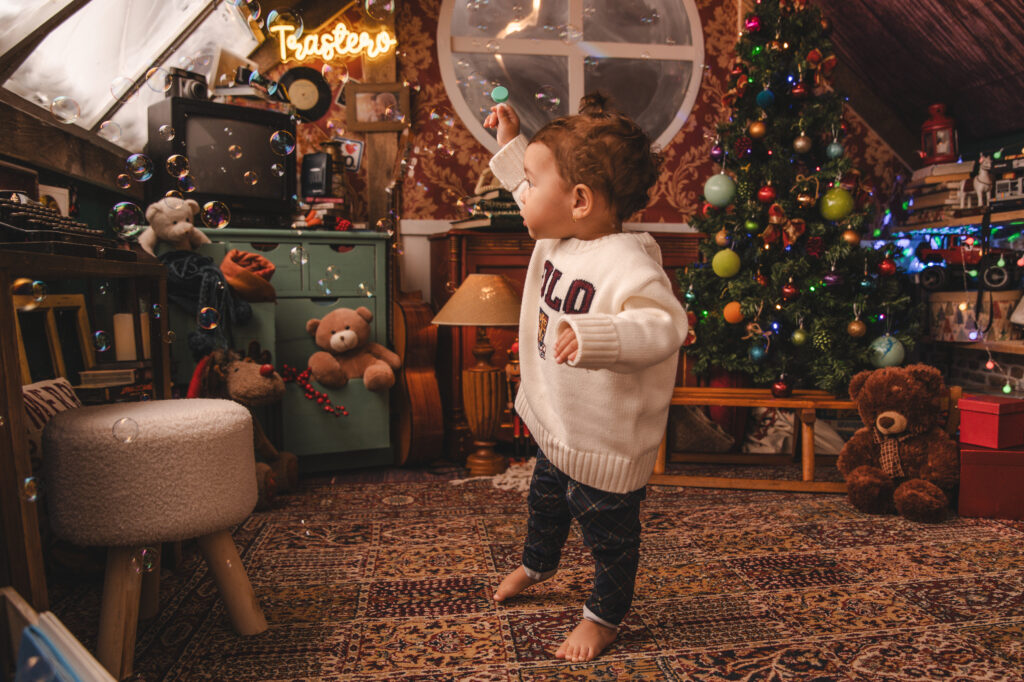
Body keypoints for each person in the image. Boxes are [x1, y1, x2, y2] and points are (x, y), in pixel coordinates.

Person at [482, 94, 688, 662]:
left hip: (603, 440)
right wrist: (509, 145)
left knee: (610, 540)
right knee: (544, 504)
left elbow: (664, 325)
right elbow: (530, 194)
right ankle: (537, 563)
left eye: (531, 181)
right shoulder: (557, 235)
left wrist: (599, 336)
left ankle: (603, 617)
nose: (521, 193)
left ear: (579, 200)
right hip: (557, 420)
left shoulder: (629, 262)